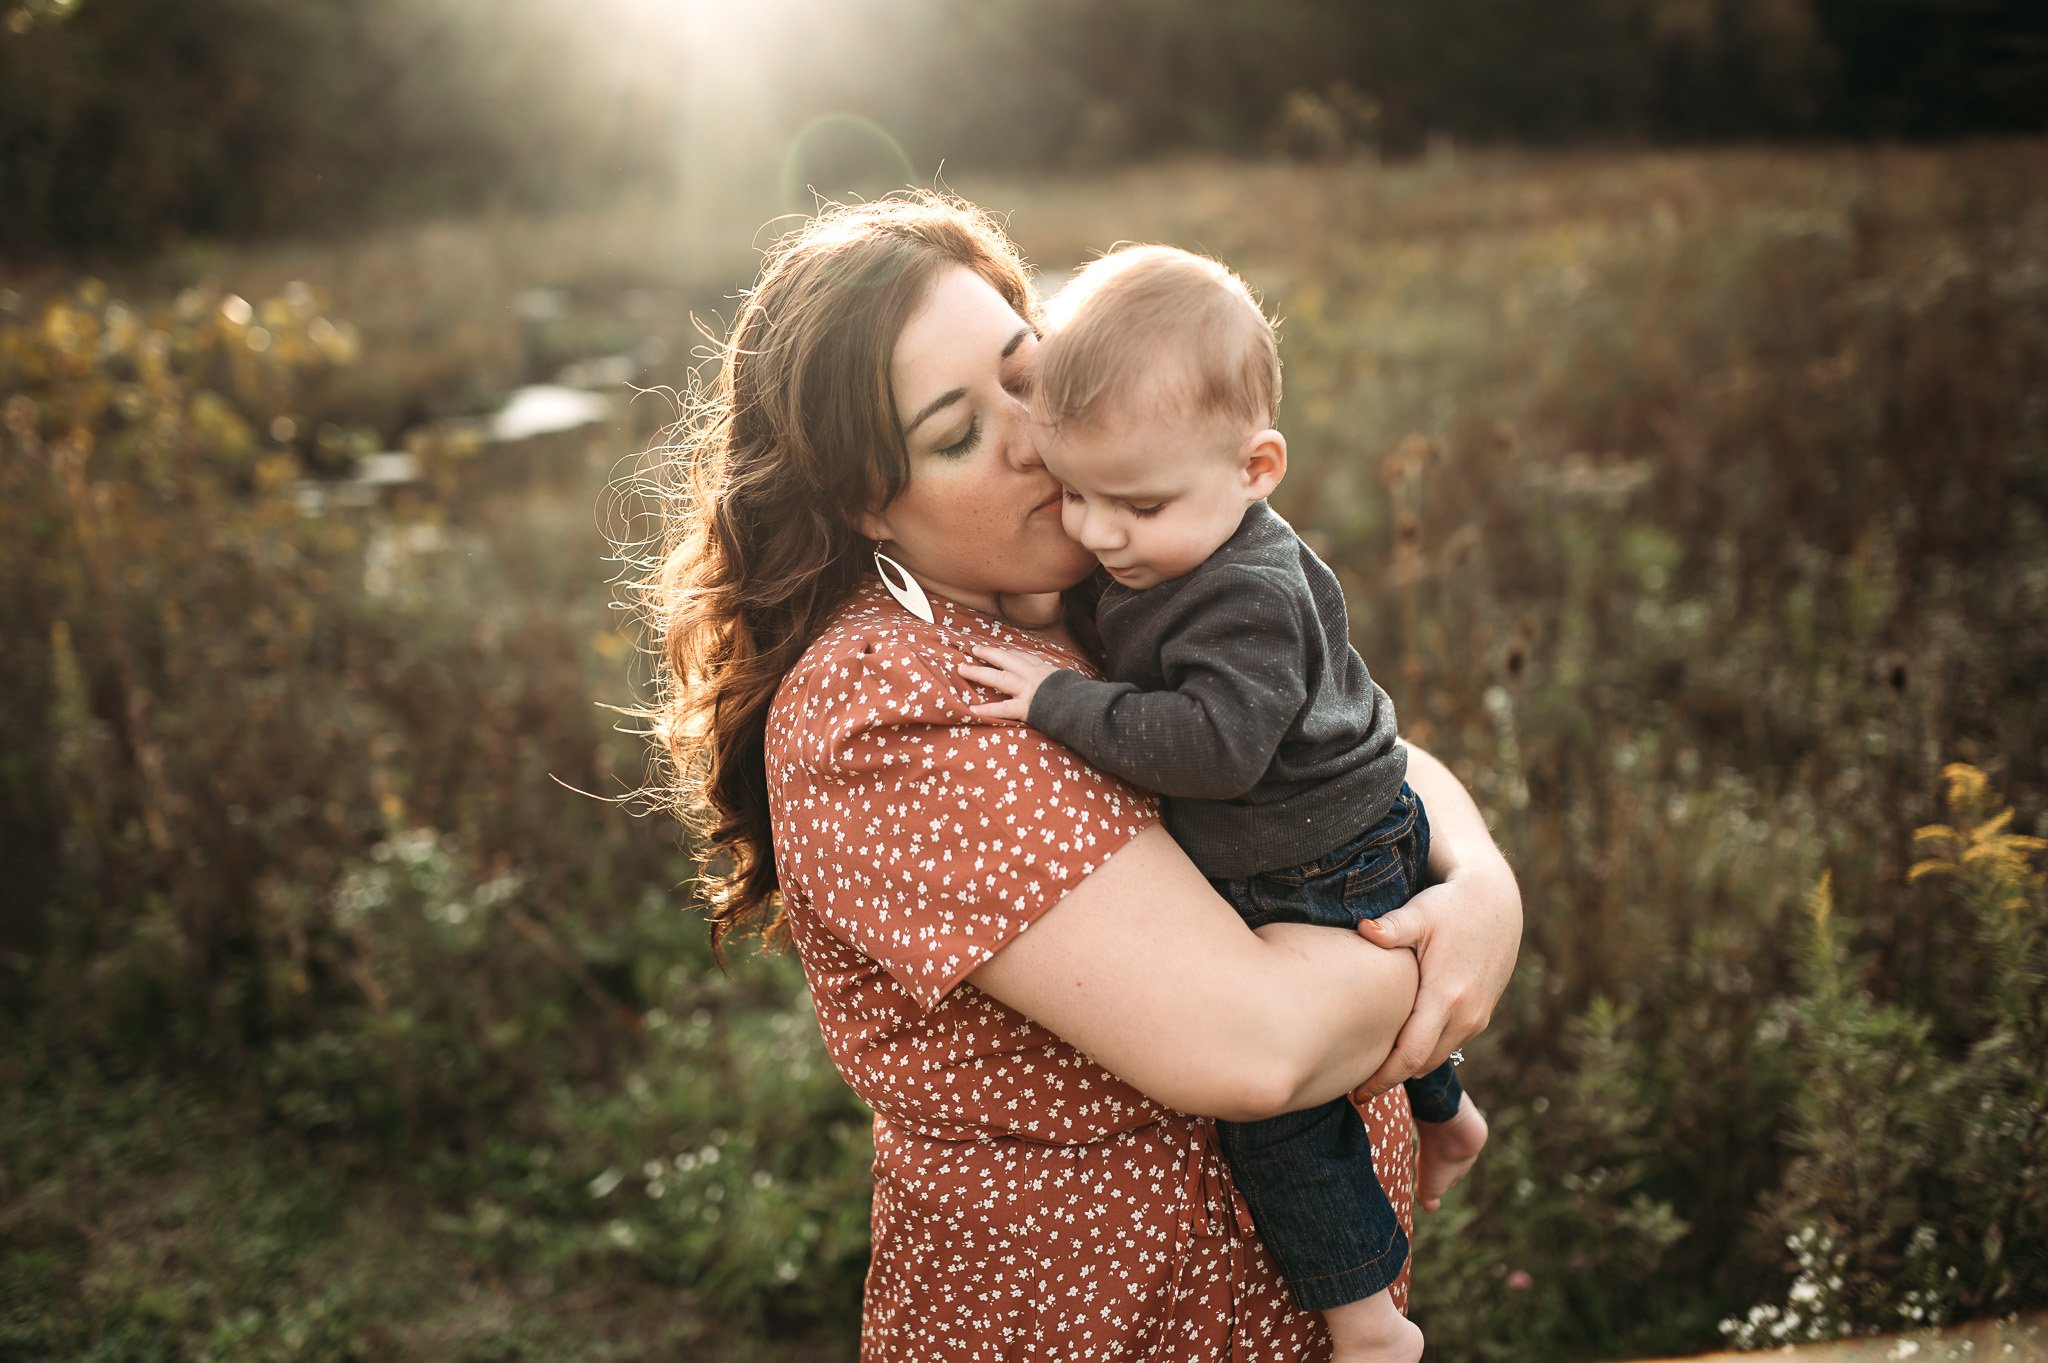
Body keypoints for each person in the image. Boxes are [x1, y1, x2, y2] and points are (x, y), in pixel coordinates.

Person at [644, 191, 1522, 1362]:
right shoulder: (884, 710)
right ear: (867, 504)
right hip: (1099, 1322)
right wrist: (1443, 939)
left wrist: (1480, 883)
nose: (1034, 436)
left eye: (1028, 370)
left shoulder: (1113, 579)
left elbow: (1358, 753)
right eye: (956, 433)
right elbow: (1255, 1046)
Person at [959, 244, 1488, 1363]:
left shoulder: (1239, 594)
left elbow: (1214, 749)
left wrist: (1061, 702)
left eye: (1133, 505)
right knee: (1396, 995)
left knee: (1281, 1122)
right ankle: (1447, 1113)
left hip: (1309, 859)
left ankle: (1367, 1319)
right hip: (1352, 824)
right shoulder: (1174, 545)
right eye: (1074, 493)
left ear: (1256, 468)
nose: (1098, 534)